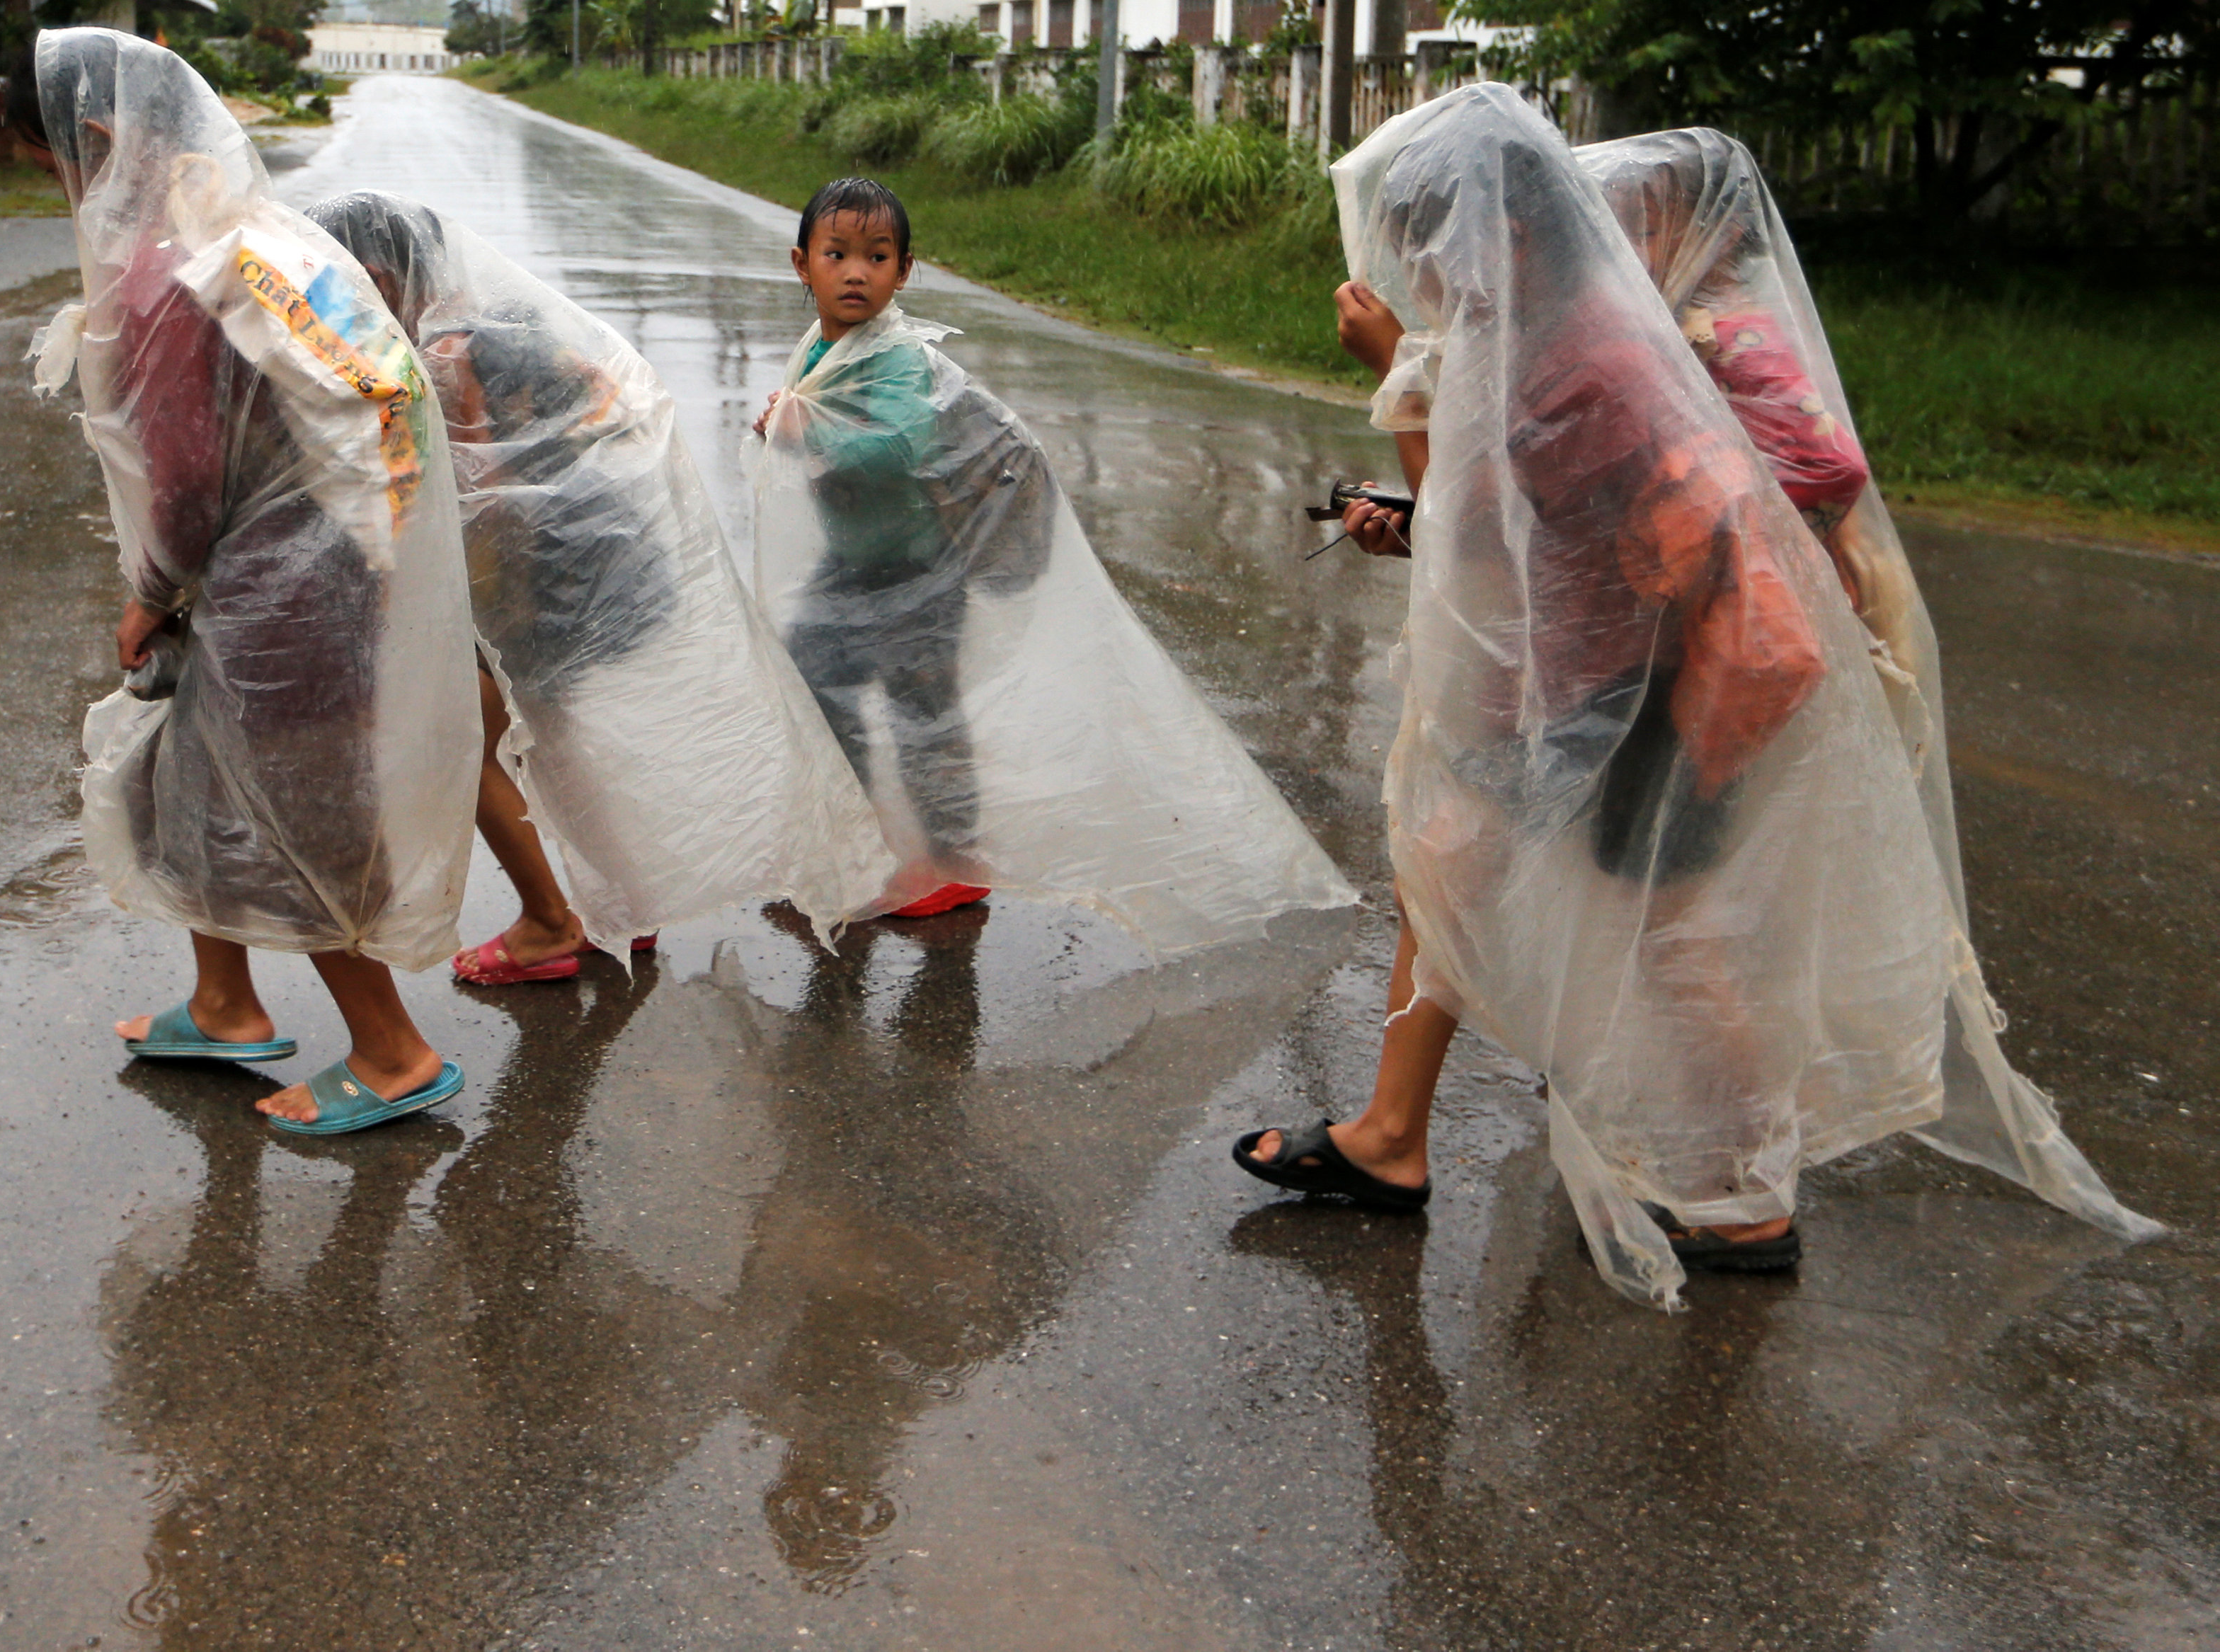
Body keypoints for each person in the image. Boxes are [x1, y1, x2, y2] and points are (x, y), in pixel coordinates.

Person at [1237, 85, 2154, 1306]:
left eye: (1428, 245)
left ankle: (1741, 1201)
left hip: (1657, 695)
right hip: (1621, 676)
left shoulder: (1578, 364)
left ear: (1505, 234)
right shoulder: (1578, 332)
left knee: (1673, 936)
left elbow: (1485, 541)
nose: (1417, 273)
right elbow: (1532, 527)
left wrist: (1407, 387)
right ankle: (1394, 1135)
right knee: (1449, 861)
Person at [1577, 127, 2161, 1246]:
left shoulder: (1717, 331)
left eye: (1639, 218)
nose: (1618, 237)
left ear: (1695, 230)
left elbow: (1822, 469)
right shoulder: (1681, 328)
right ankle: (1709, 1151)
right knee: (1669, 912)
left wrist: (1697, 482)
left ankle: (1749, 1196)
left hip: (1722, 657)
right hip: (1701, 648)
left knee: (1682, 923)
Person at [9, 28, 480, 1134]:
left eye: (62, 166)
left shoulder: (167, 273)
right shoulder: (255, 234)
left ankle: (395, 1050)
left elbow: (182, 486)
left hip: (278, 595)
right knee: (183, 780)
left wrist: (153, 593)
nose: (67, 190)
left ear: (104, 138)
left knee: (300, 814)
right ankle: (223, 1002)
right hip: (336, 567)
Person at [751, 178, 1355, 951]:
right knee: (812, 684)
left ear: (905, 271)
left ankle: (952, 859)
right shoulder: (826, 347)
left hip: (917, 572)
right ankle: (858, 844)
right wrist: (788, 421)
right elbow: (812, 421)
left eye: (877, 256)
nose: (856, 272)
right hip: (852, 562)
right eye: (837, 255)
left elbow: (903, 447)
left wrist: (815, 433)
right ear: (803, 265)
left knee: (923, 719)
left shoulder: (896, 358)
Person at [304, 192, 891, 983]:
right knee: (548, 735)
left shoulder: (446, 350)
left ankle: (551, 924)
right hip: (589, 558)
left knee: (468, 735)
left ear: (376, 271)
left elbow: (483, 487)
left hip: (542, 575)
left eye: (339, 280)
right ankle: (624, 907)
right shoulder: (498, 320)